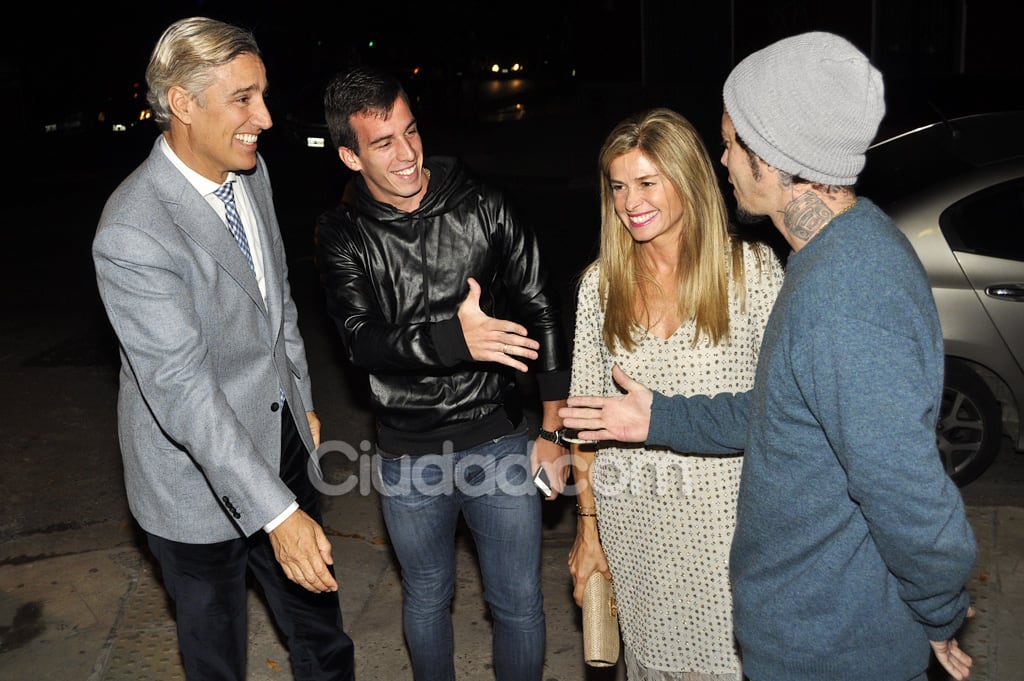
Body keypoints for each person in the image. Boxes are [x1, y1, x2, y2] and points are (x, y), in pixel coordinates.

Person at [559, 32, 977, 681]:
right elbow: (776, 410)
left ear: (773, 154)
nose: (722, 160)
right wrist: (656, 419)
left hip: (830, 645)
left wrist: (938, 612)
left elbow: (910, 495)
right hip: (799, 632)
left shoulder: (847, 294)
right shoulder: (826, 262)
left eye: (731, 143)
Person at [91, 17, 355, 681]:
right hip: (192, 484)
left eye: (262, 94)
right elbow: (183, 391)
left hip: (284, 439)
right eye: (243, 98)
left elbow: (278, 297)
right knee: (218, 661)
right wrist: (278, 514)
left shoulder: (251, 171)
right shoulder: (133, 231)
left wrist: (301, 393)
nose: (263, 118)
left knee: (322, 640)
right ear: (183, 103)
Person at [314, 65, 571, 681]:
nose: (406, 154)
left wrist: (556, 432)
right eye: (383, 143)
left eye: (410, 131)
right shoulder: (342, 234)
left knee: (517, 604)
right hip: (409, 456)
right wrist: (458, 339)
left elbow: (540, 303)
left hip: (501, 439)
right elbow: (360, 341)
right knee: (427, 598)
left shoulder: (482, 206)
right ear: (350, 157)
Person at [566, 107, 783, 680]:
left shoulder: (753, 275)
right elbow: (583, 426)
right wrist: (589, 532)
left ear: (688, 180)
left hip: (730, 536)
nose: (630, 201)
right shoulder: (600, 286)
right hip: (633, 530)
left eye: (646, 183)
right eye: (618, 186)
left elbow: (787, 416)